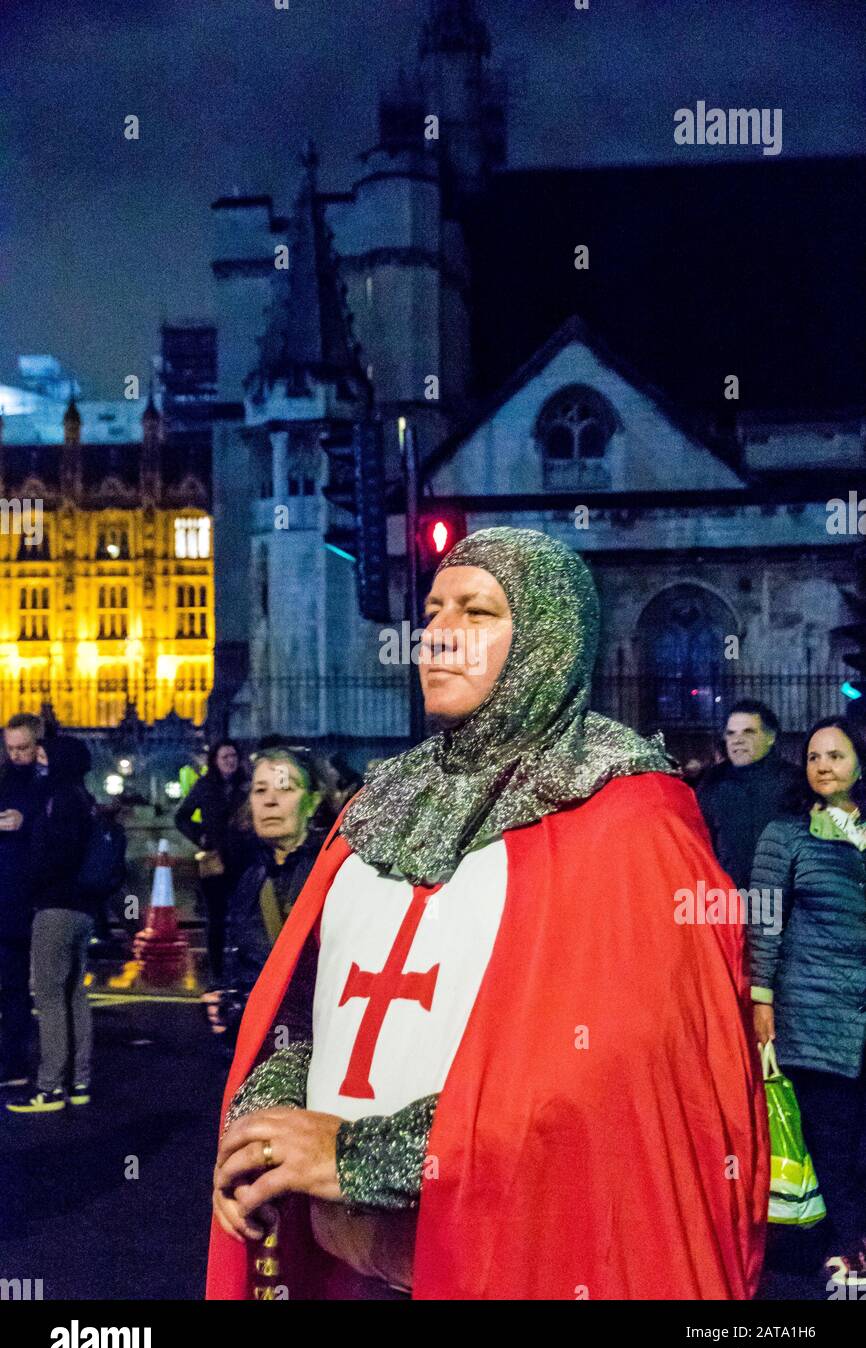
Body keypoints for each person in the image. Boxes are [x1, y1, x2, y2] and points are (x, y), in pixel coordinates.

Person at [208, 526, 767, 1301]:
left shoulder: (629, 817)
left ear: (545, 637)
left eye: (474, 613)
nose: (435, 637)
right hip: (342, 1267)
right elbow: (303, 1015)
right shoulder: (377, 802)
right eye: (433, 611)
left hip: (509, 1265)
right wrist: (265, 1123)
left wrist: (363, 1155)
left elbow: (612, 1078)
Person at [749, 716, 866, 1288]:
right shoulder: (786, 834)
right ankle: (848, 1250)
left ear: (859, 765)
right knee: (833, 1139)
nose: (822, 765)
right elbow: (764, 921)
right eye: (814, 756)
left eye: (836, 756)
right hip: (814, 1015)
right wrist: (761, 999)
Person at [7, 735, 97, 1114]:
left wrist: (28, 882)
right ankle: (78, 1081)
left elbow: (52, 857)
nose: (39, 760)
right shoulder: (84, 800)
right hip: (83, 909)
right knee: (75, 995)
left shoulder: (57, 799)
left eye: (44, 754)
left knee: (49, 998)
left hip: (54, 908)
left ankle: (49, 1088)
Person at [219, 744, 324, 1039]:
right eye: (260, 790)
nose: (270, 801)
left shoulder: (335, 874)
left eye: (285, 789)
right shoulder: (251, 875)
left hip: (317, 1043)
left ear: (313, 801)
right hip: (260, 1045)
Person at [174, 740, 249, 1008]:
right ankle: (217, 974)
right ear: (215, 760)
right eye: (224, 756)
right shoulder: (206, 786)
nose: (230, 760)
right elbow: (181, 817)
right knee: (216, 921)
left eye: (233, 755)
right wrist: (201, 837)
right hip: (216, 860)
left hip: (244, 861)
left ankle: (242, 972)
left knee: (243, 920)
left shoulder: (247, 786)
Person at [697, 699, 800, 888]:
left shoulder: (795, 782)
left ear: (771, 737)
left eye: (748, 732)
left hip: (782, 902)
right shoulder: (712, 783)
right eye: (731, 733)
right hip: (728, 902)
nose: (737, 740)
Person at [0, 714, 46, 1089]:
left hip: (24, 899)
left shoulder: (47, 782)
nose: (16, 755)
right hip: (9, 895)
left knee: (18, 986)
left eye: (22, 748)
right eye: (10, 748)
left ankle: (15, 1061)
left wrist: (26, 819)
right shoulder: (7, 778)